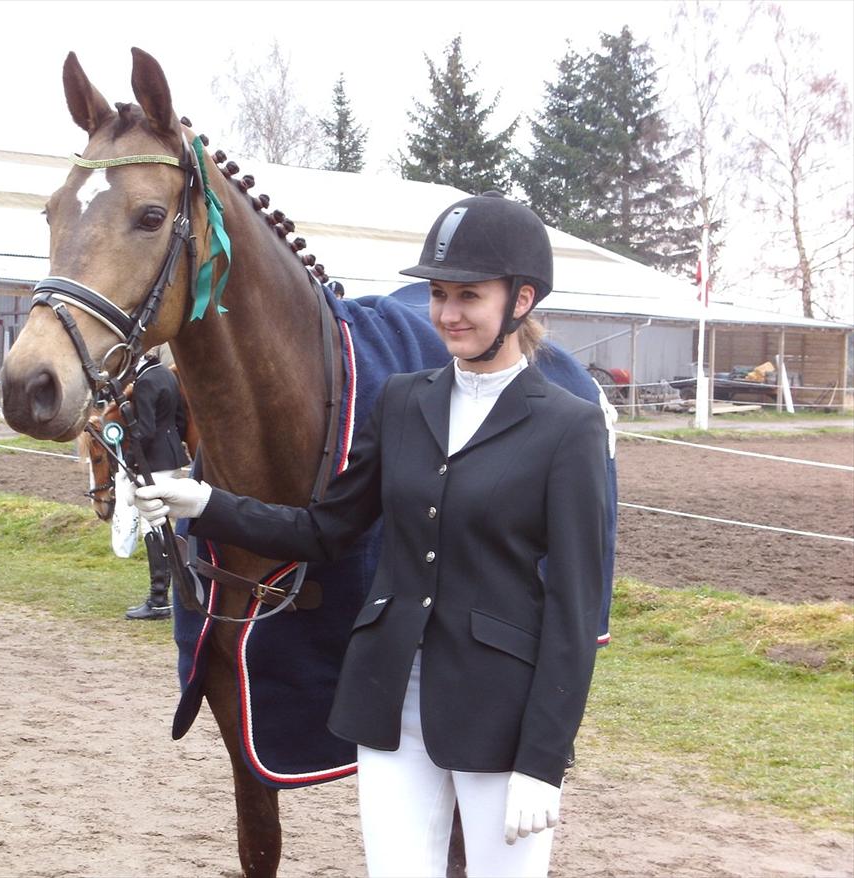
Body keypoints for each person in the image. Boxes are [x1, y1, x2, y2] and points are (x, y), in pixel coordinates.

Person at [135, 192, 607, 877]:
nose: (447, 313)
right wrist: (205, 502)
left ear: (523, 299)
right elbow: (326, 529)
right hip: (391, 705)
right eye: (440, 293)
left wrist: (543, 759)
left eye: (468, 296)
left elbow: (572, 606)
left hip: (498, 714)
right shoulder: (404, 401)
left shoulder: (567, 427)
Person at [122, 347, 191, 621]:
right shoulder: (165, 373)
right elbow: (180, 420)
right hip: (172, 456)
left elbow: (146, 429)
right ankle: (168, 594)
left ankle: (159, 598)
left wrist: (128, 457)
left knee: (152, 526)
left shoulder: (145, 382)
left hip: (155, 462)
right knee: (162, 524)